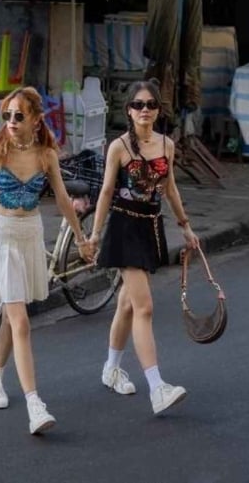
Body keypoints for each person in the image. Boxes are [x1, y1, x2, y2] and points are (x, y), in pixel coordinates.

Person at [0, 86, 94, 435]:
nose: (11, 122)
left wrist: (81, 239)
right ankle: (35, 404)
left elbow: (64, 200)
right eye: (7, 115)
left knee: (11, 314)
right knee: (20, 321)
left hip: (30, 236)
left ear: (35, 120)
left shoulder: (46, 156)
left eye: (19, 116)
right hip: (2, 235)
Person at [89, 80, 200, 416]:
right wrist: (94, 235)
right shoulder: (119, 147)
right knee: (145, 307)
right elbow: (107, 192)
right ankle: (157, 388)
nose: (145, 110)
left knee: (126, 304)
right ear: (129, 111)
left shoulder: (166, 145)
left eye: (150, 105)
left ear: (158, 110)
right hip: (124, 228)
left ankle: (111, 368)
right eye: (138, 105)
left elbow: (170, 190)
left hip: (150, 227)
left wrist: (186, 226)